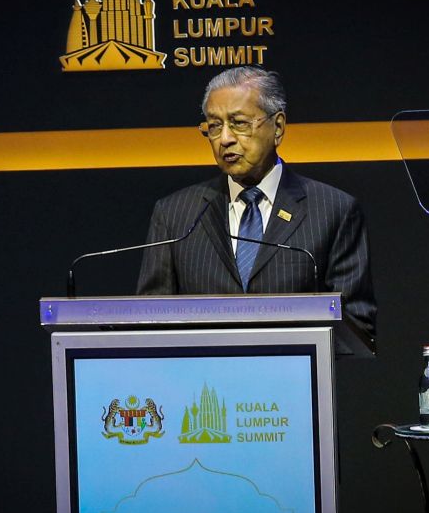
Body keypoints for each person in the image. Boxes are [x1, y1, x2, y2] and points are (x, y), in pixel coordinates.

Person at [136, 66, 377, 336]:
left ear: (278, 127)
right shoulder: (175, 215)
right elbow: (150, 324)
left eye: (239, 123)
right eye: (214, 126)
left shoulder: (333, 211)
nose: (225, 139)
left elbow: (356, 326)